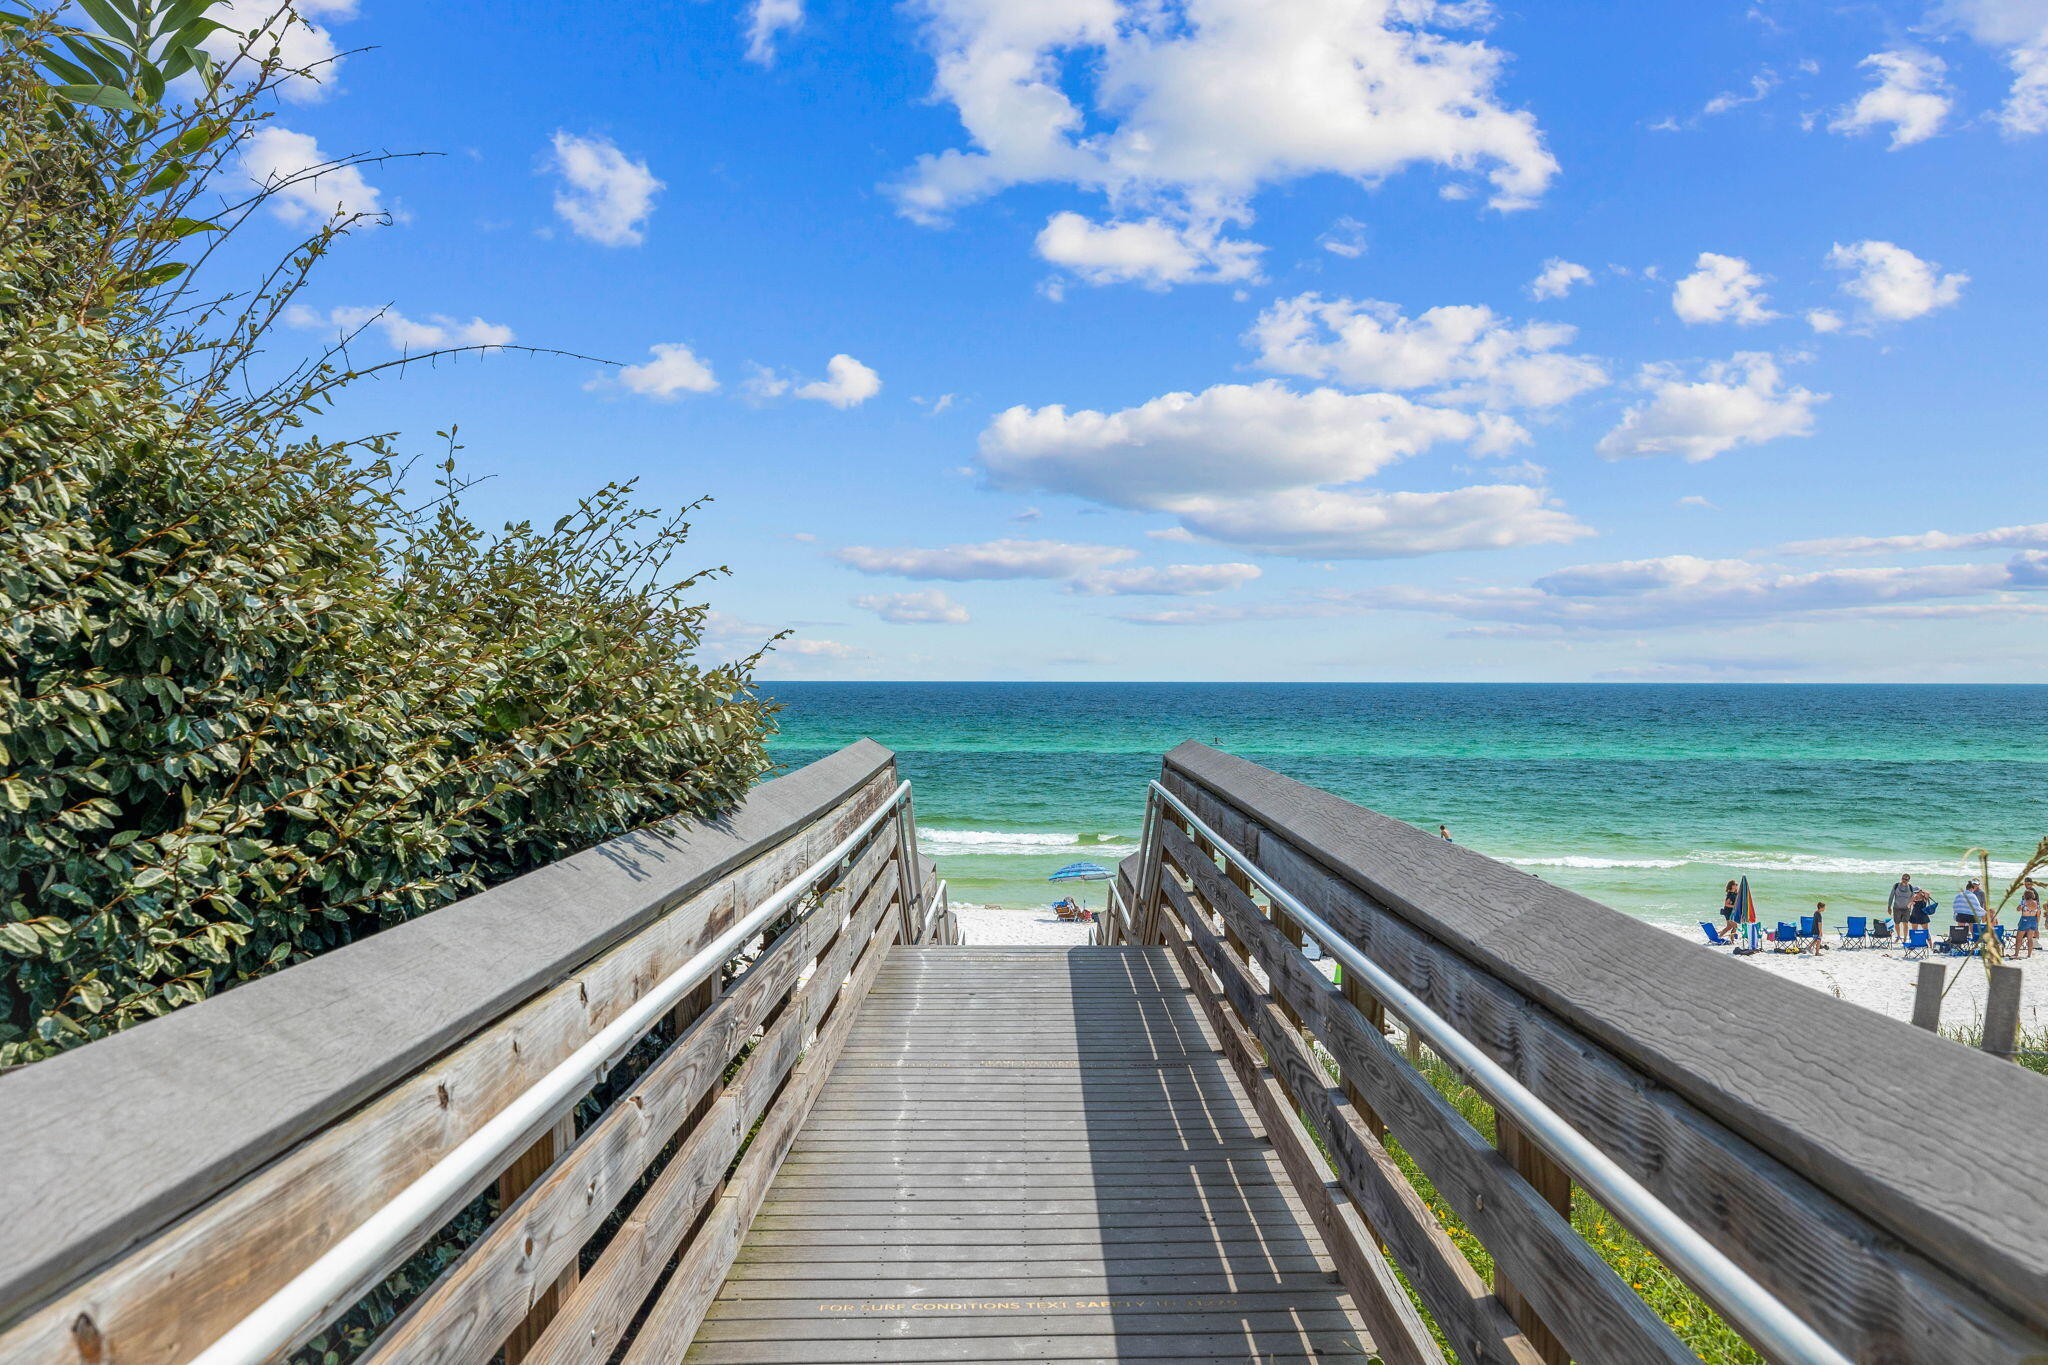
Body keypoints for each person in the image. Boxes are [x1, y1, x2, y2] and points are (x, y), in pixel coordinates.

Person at [2017, 878, 2042, 959]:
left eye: (2028, 884)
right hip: (2033, 919)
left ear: (2031, 884)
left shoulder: (2026, 897)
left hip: (2025, 918)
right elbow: (2038, 910)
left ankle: (2016, 954)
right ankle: (2029, 955)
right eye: (2025, 884)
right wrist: (2037, 922)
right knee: (2030, 938)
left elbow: (2020, 908)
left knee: (2019, 938)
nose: (2026, 885)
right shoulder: (2036, 901)